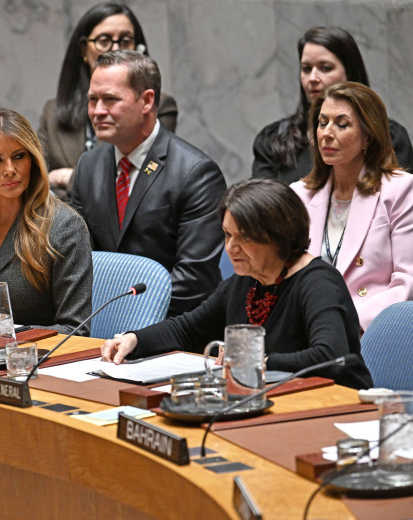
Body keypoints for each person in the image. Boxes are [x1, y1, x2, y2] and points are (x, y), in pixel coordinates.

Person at [101, 178, 373, 390]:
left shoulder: (318, 283)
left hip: (336, 407)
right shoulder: (245, 282)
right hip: (273, 400)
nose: (230, 248)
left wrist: (255, 360)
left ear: (278, 236)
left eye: (243, 237)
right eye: (227, 235)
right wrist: (134, 339)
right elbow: (188, 328)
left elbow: (331, 356)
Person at [71, 50, 226, 317]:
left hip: (175, 327)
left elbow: (194, 279)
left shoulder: (196, 173)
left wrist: (124, 312)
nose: (97, 111)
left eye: (110, 99)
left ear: (147, 101)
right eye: (92, 99)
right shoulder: (88, 166)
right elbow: (77, 260)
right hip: (100, 327)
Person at [0, 108, 93, 334]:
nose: (10, 170)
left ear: (33, 159)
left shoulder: (64, 227)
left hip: (37, 361)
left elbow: (75, 330)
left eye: (19, 156)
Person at [291, 82, 413, 331]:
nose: (327, 132)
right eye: (322, 122)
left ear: (368, 135)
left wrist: (343, 322)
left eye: (341, 124)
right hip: (307, 331)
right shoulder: (299, 195)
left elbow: (406, 281)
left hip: (368, 331)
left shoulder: (399, 189)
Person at [39, 2, 178, 199]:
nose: (115, 50)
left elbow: (141, 178)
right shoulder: (53, 111)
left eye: (125, 40)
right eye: (104, 40)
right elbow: (37, 184)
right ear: (83, 50)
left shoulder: (157, 106)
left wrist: (68, 178)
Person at [252, 26, 412, 185]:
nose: (313, 78)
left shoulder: (389, 136)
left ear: (349, 72)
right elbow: (262, 205)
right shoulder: (274, 139)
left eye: (325, 68)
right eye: (306, 69)